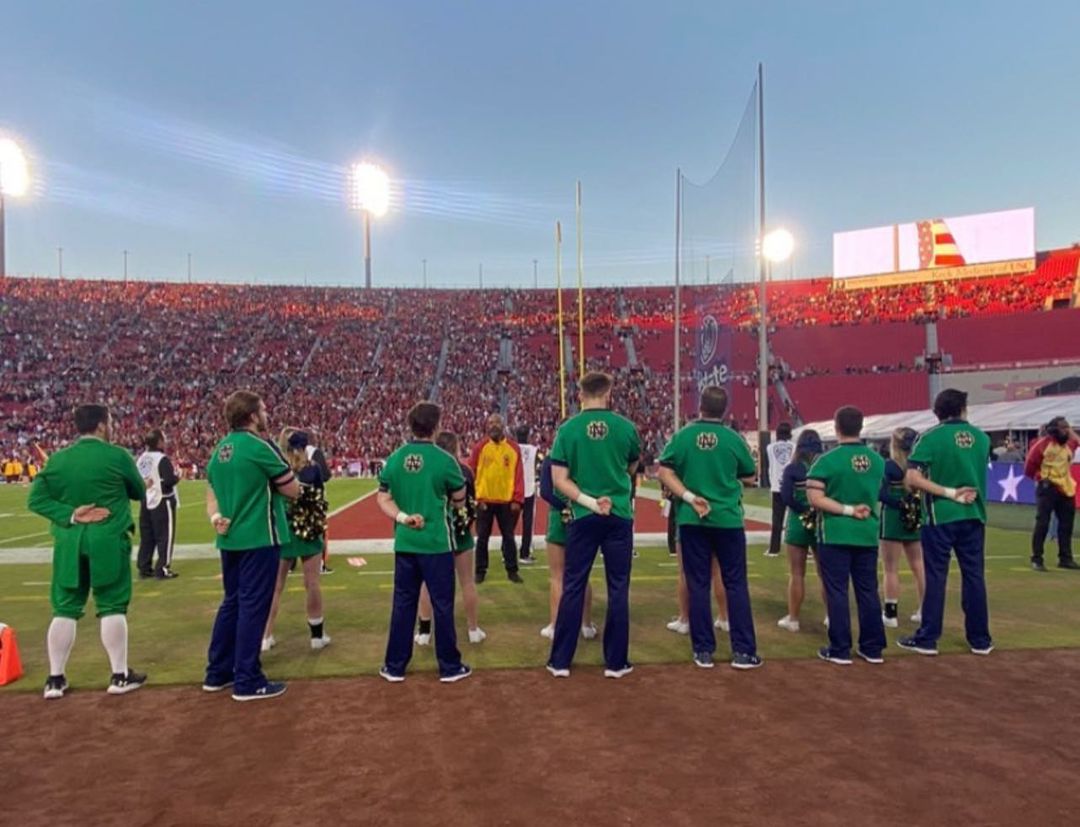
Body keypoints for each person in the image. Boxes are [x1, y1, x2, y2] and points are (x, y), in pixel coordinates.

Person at [27, 404, 148, 699]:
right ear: (102, 425)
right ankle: (119, 675)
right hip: (108, 539)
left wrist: (71, 514)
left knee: (65, 608)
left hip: (69, 541)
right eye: (111, 422)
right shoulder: (117, 455)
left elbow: (36, 500)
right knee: (112, 605)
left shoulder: (59, 459)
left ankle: (55, 679)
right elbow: (139, 492)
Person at [203, 390, 300, 701]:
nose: (267, 415)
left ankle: (218, 672)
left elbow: (211, 491)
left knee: (231, 602)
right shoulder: (260, 446)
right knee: (253, 606)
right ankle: (248, 678)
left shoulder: (221, 448)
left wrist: (216, 516)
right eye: (263, 410)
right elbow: (292, 489)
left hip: (229, 538)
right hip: (259, 535)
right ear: (253, 415)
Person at [658, 385, 761, 669]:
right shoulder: (733, 439)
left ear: (700, 406)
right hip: (727, 518)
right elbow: (750, 475)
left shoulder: (683, 436)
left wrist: (688, 495)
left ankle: (703, 650)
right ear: (724, 410)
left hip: (693, 518)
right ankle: (744, 651)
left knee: (698, 584)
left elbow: (664, 470)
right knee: (736, 583)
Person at [547, 371, 640, 679]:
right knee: (618, 587)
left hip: (583, 515)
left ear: (580, 395)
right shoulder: (626, 428)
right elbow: (631, 466)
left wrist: (589, 501)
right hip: (619, 513)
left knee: (573, 584)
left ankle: (560, 661)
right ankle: (616, 662)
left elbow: (559, 480)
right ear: (609, 393)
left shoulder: (568, 429)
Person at [376, 401, 471, 683]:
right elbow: (460, 499)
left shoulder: (395, 458)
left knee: (403, 604)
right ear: (436, 426)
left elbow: (383, 498)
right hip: (436, 543)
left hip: (405, 542)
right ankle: (449, 666)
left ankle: (394, 666)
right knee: (442, 604)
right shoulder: (445, 460)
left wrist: (404, 517)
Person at [897, 389, 992, 657]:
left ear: (938, 412)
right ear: (962, 408)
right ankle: (980, 639)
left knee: (936, 576)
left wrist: (949, 492)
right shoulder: (982, 438)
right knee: (974, 577)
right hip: (973, 514)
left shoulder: (930, 437)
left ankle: (928, 638)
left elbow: (912, 478)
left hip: (940, 515)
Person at [806, 406, 888, 665]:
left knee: (837, 591)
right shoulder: (877, 461)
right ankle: (872, 647)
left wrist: (848, 510)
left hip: (835, 533)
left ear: (837, 427)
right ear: (860, 427)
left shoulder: (826, 461)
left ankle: (840, 648)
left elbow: (815, 498)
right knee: (868, 591)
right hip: (867, 534)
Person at [262, 428, 332, 653]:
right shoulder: (313, 469)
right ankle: (317, 637)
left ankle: (265, 636)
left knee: (275, 586)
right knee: (312, 583)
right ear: (305, 447)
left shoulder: (280, 469)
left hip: (284, 530)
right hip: (309, 529)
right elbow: (319, 497)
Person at [414, 431, 485, 646]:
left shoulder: (429, 469)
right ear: (455, 449)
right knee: (467, 582)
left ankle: (425, 632)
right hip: (460, 532)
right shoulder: (464, 470)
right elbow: (470, 502)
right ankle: (473, 630)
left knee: (427, 583)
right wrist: (468, 525)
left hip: (436, 533)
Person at [538, 453, 596, 640]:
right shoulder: (585, 456)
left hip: (558, 516)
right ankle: (586, 625)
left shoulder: (552, 458)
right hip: (583, 514)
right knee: (583, 574)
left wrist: (563, 505)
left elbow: (545, 491)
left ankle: (556, 625)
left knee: (557, 576)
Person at [776, 428, 824, 633]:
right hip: (821, 521)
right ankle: (832, 617)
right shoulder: (825, 467)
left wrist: (804, 511)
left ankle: (793, 619)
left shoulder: (792, 468)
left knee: (797, 573)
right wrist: (813, 511)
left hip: (798, 522)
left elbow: (786, 497)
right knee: (825, 574)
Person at [879, 427, 927, 627]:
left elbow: (880, 493)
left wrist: (899, 503)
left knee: (890, 568)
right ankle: (924, 610)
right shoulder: (920, 465)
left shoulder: (889, 466)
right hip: (915, 516)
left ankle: (891, 615)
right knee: (919, 565)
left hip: (893, 518)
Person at [469, 413, 525, 584]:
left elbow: (518, 475)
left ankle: (512, 570)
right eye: (490, 422)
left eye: (496, 422)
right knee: (482, 538)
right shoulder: (480, 448)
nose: (493, 425)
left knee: (509, 537)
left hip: (506, 501)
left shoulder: (513, 448)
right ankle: (480, 571)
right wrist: (476, 498)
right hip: (484, 501)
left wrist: (517, 499)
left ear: (503, 425)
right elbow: (471, 473)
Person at [1024, 416, 1079, 571]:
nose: (1066, 431)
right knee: (1043, 522)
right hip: (1048, 487)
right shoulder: (1042, 445)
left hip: (1066, 487)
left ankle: (1065, 558)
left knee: (1066, 525)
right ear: (1054, 430)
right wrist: (1041, 479)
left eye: (1067, 428)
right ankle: (1037, 558)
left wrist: (1070, 431)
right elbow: (1029, 465)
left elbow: (1077, 441)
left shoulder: (1069, 445)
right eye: (1063, 428)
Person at [136, 429, 180, 580]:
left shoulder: (142, 458)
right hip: (162, 499)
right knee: (165, 536)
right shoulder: (162, 459)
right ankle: (162, 568)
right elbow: (169, 480)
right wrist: (177, 477)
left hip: (146, 499)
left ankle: (144, 567)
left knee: (147, 536)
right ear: (160, 442)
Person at [765, 422, 795, 557]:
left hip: (777, 486)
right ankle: (805, 548)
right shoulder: (794, 447)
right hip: (792, 485)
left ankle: (774, 549)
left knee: (777, 519)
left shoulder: (770, 447)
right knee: (799, 517)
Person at [514, 424, 539, 565]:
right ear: (528, 436)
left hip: (514, 490)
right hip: (528, 489)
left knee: (509, 523)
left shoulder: (512, 448)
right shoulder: (534, 450)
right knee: (527, 523)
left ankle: (507, 552)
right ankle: (524, 553)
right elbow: (537, 466)